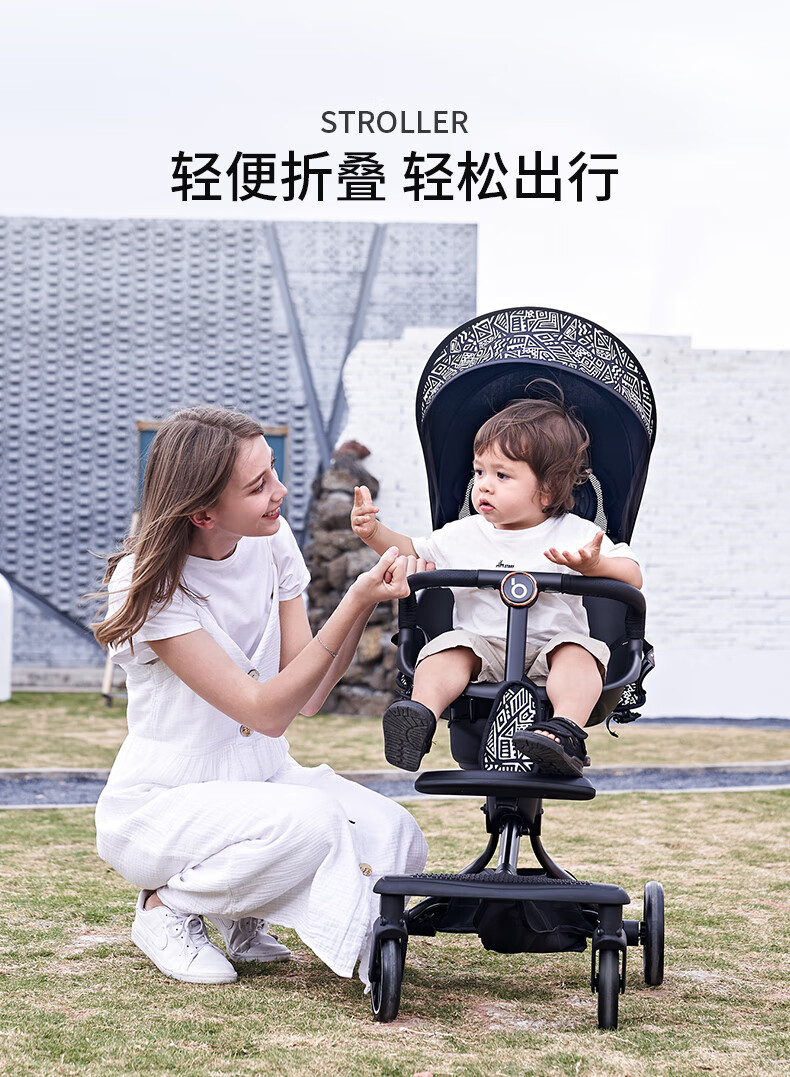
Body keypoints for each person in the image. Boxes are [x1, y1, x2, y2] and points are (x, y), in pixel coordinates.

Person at [93, 406, 427, 987]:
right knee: (312, 823)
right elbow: (265, 712)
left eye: (273, 470)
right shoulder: (150, 585)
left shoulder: (271, 542)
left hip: (262, 779)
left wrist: (367, 603)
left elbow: (308, 694)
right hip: (164, 805)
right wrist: (353, 599)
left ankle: (242, 909)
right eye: (258, 486)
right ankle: (166, 907)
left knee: (395, 833)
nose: (281, 491)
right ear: (203, 513)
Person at [350, 394, 642, 778]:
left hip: (551, 650)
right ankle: (418, 716)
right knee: (448, 649)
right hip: (482, 650)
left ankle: (563, 730)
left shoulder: (575, 532)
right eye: (479, 472)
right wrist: (374, 533)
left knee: (580, 653)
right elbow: (411, 551)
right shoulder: (462, 534)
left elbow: (633, 575)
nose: (484, 486)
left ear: (549, 488)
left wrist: (595, 565)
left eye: (501, 476)